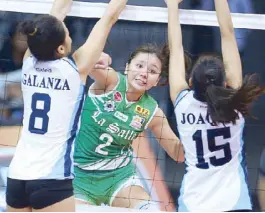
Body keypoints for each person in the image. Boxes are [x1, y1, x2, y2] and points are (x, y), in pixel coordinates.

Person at [6, 0, 129, 211]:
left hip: (17, 176)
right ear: (61, 47)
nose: (70, 36)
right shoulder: (75, 68)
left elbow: (58, 10)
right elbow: (109, 17)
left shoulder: (28, 62)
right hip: (51, 179)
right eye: (67, 34)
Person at [165, 0, 265, 211]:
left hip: (194, 204)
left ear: (190, 82)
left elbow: (176, 49)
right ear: (225, 82)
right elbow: (228, 34)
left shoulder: (183, 104)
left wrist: (172, 6)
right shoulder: (235, 103)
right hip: (234, 201)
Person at [73, 44, 185, 210]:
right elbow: (79, 58)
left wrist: (195, 130)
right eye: (139, 66)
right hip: (79, 175)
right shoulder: (111, 81)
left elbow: (178, 154)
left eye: (152, 71)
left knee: (151, 210)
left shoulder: (153, 112)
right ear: (126, 68)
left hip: (119, 178)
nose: (144, 73)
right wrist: (99, 57)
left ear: (157, 81)